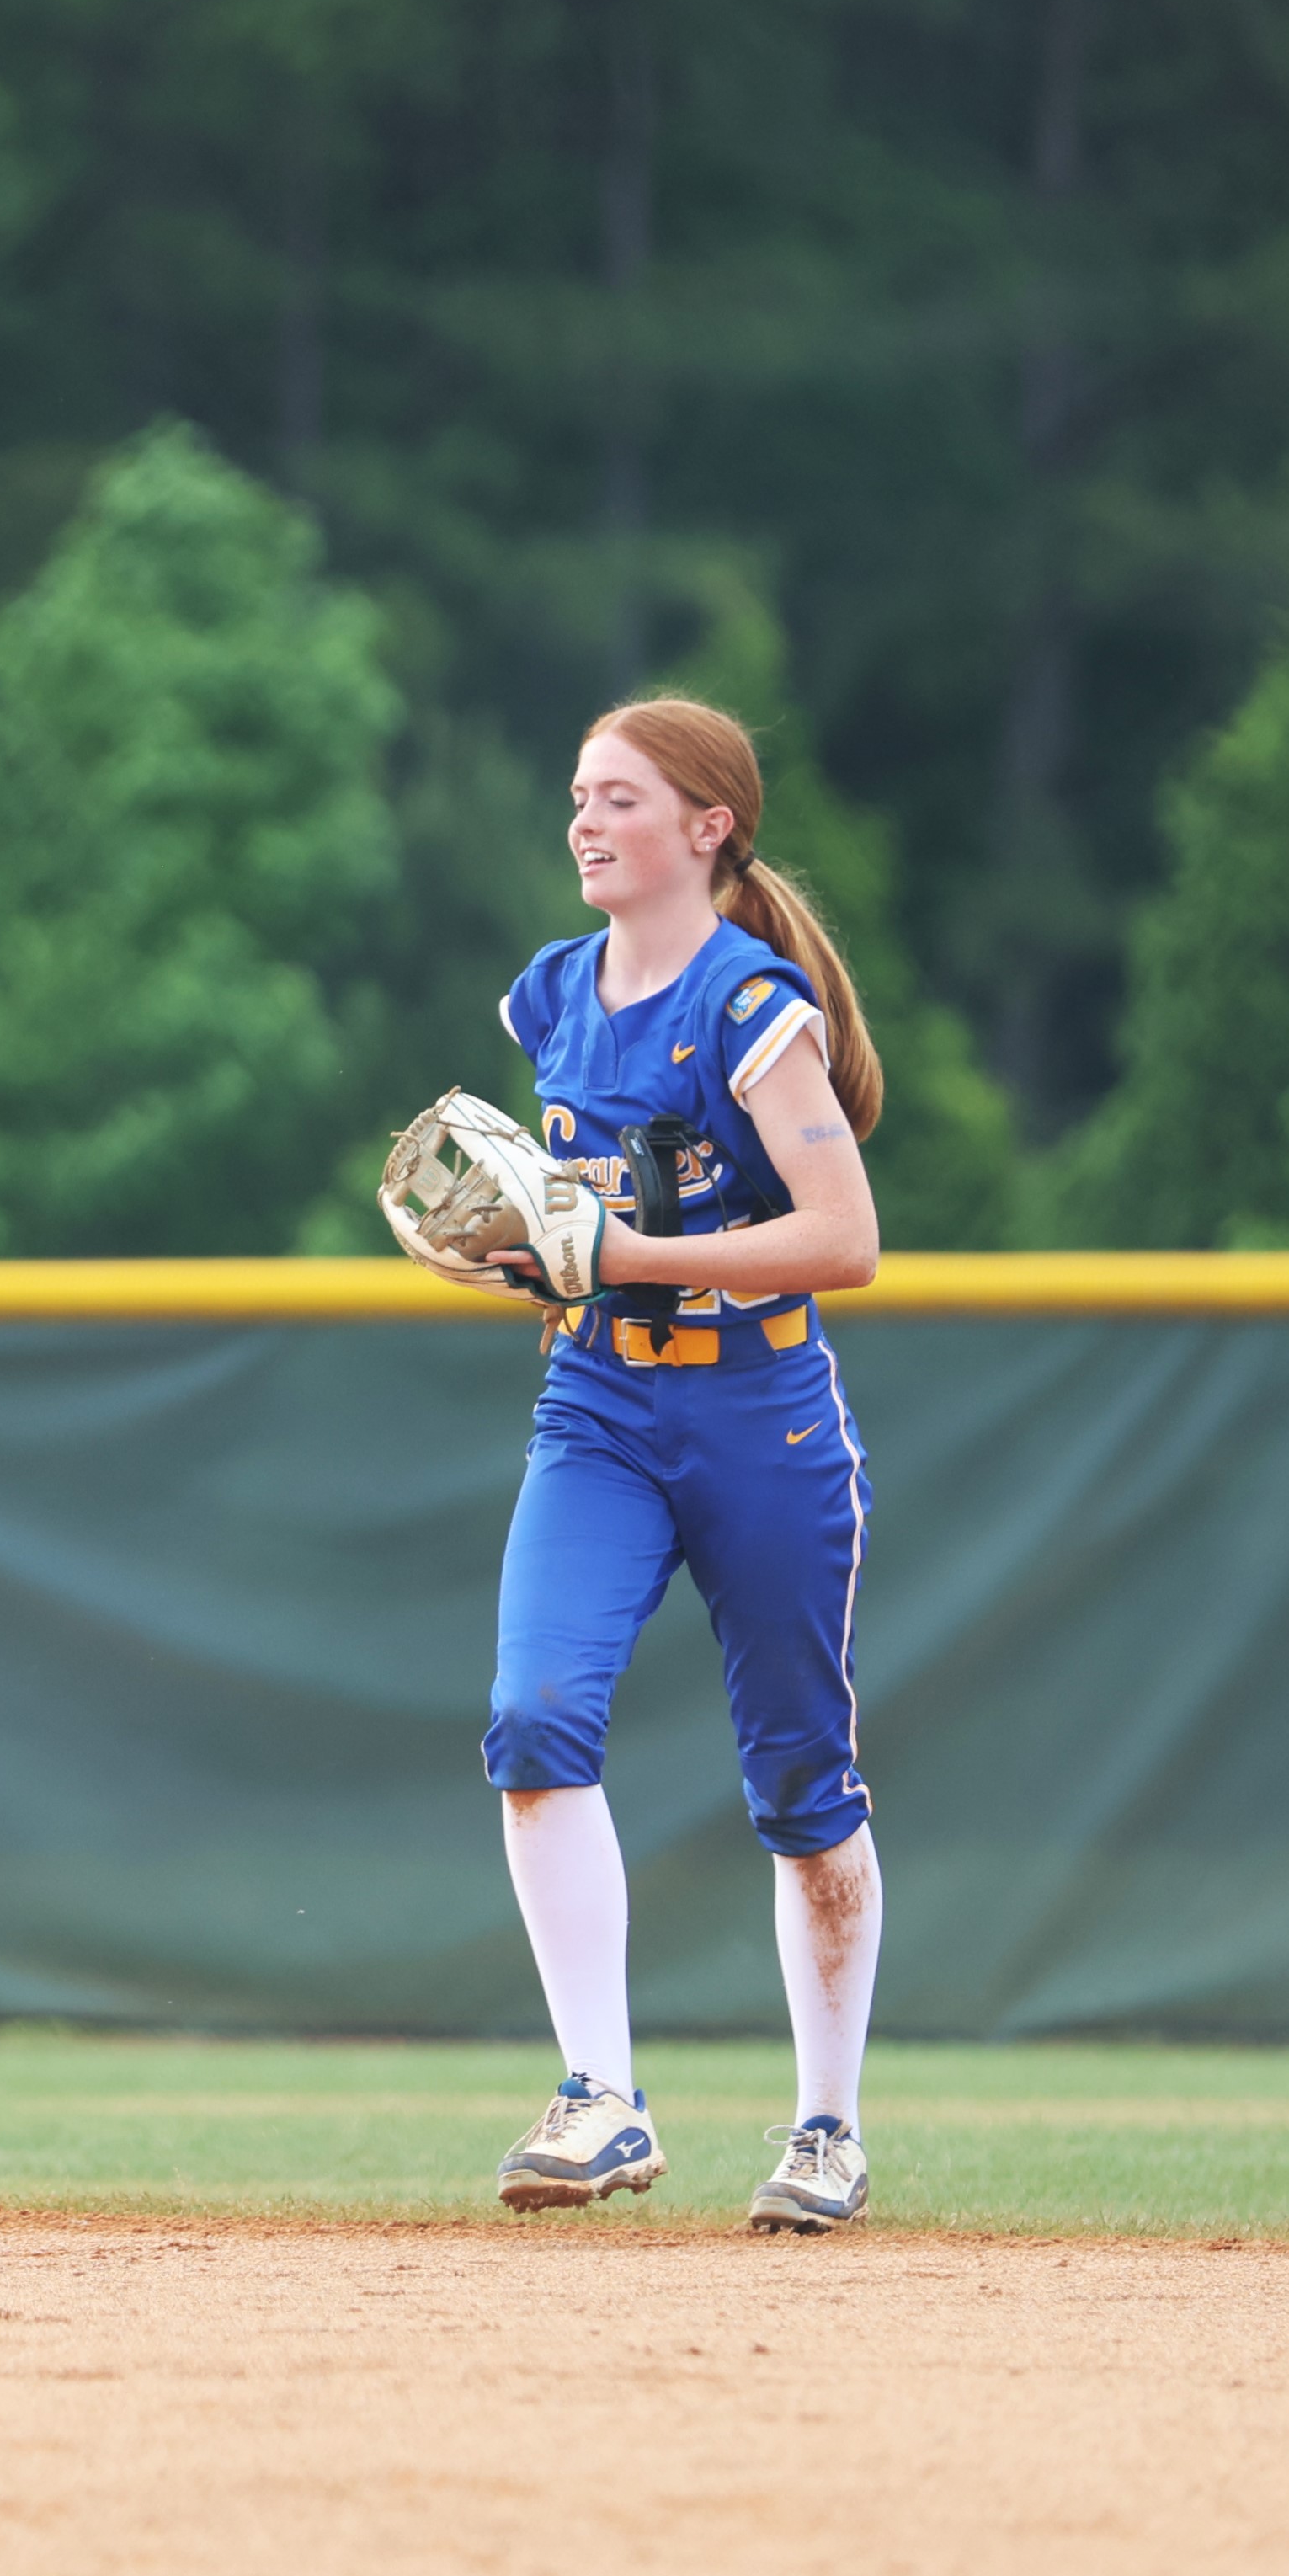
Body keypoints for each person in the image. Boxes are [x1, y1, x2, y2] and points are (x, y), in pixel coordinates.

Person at [481, 696, 892, 2233]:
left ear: (708, 826)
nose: (584, 822)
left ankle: (826, 2127)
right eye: (578, 795)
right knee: (534, 1715)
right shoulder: (552, 993)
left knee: (798, 1778)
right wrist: (518, 1252)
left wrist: (623, 1252)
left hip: (759, 1412)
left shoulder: (746, 1004)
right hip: (597, 1402)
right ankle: (598, 2094)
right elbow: (574, 1226)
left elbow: (843, 1239)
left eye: (620, 798)